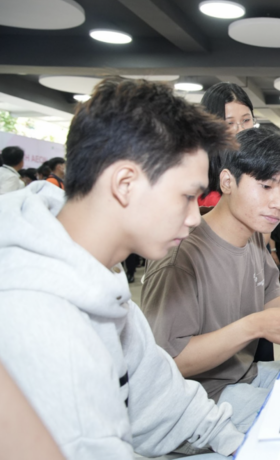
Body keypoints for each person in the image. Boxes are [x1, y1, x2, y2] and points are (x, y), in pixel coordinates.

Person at [0, 78, 244, 459]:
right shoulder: (39, 321)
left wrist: (239, 443)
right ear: (125, 183)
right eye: (187, 196)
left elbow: (162, 400)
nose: (195, 217)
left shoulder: (99, 276)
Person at [141, 127, 280, 432]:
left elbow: (264, 304)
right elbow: (169, 362)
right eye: (266, 186)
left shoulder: (252, 237)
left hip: (243, 374)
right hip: (196, 401)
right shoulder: (180, 255)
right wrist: (255, 326)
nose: (279, 203)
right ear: (227, 181)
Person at [197, 82, 256, 207]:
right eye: (229, 123)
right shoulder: (196, 172)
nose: (240, 129)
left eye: (246, 120)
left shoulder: (259, 164)